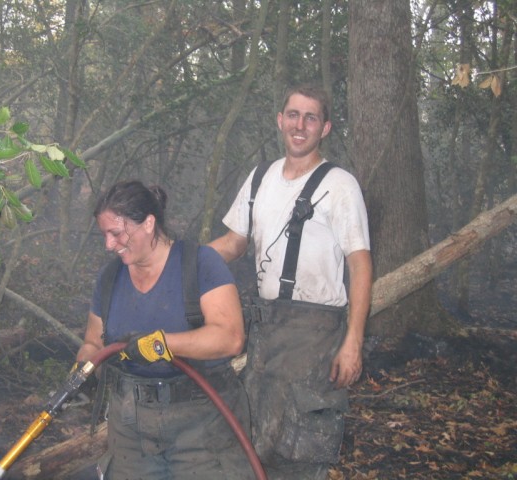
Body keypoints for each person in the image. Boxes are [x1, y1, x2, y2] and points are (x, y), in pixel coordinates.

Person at [209, 84, 373, 479]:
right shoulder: (260, 177)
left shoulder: (340, 185)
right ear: (280, 120)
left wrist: (353, 341)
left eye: (311, 117)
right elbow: (234, 242)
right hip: (265, 329)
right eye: (293, 115)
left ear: (325, 127)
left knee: (299, 445)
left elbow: (361, 264)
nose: (300, 125)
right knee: (253, 436)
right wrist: (181, 264)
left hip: (316, 333)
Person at [76, 180, 255, 479]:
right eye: (104, 235)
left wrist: (161, 344)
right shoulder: (109, 278)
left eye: (116, 233)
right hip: (130, 430)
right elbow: (93, 343)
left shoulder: (200, 264)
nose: (109, 244)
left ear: (148, 223)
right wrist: (84, 365)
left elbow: (230, 338)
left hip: (202, 423)